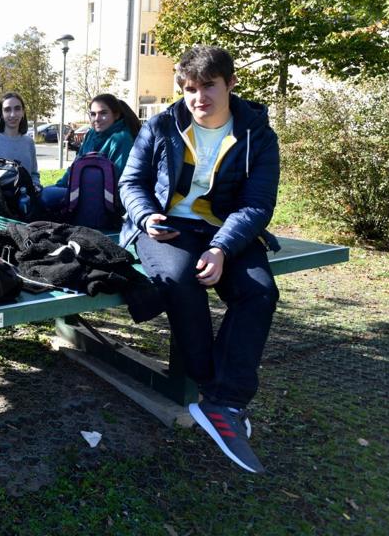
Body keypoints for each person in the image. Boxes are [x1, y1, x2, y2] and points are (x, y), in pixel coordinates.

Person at [119, 45, 280, 474]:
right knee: (178, 277)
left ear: (230, 83)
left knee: (260, 292)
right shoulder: (160, 124)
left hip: (225, 229)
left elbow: (258, 204)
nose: (198, 97)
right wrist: (145, 215)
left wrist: (223, 248)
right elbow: (130, 182)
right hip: (165, 225)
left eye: (208, 85)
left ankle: (223, 402)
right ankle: (216, 393)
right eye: (189, 88)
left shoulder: (258, 135)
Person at [40, 93, 140, 212]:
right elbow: (76, 165)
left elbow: (119, 180)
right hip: (77, 190)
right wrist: (60, 185)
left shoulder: (122, 139)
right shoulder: (91, 134)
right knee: (41, 195)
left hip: (101, 199)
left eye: (103, 113)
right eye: (93, 114)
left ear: (116, 115)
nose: (96, 118)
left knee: (46, 198)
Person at [0, 91, 41, 189]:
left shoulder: (29, 142)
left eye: (17, 109)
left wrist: (35, 186)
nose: (12, 114)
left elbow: (34, 174)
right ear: (1, 114)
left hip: (26, 200)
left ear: (23, 112)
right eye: (7, 110)